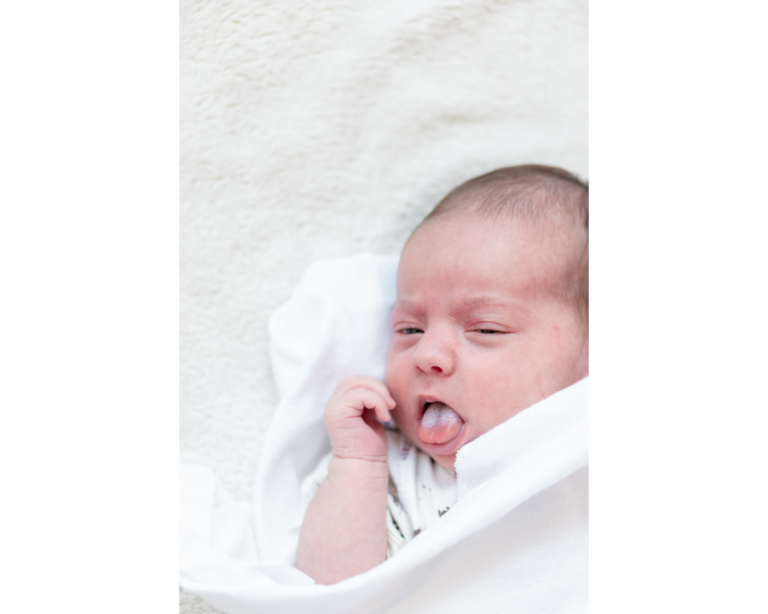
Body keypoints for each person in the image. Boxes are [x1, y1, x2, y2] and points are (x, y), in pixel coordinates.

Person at [296, 165, 589, 585]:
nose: (427, 354)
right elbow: (329, 593)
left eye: (485, 329)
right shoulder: (390, 473)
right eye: (409, 330)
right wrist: (358, 463)